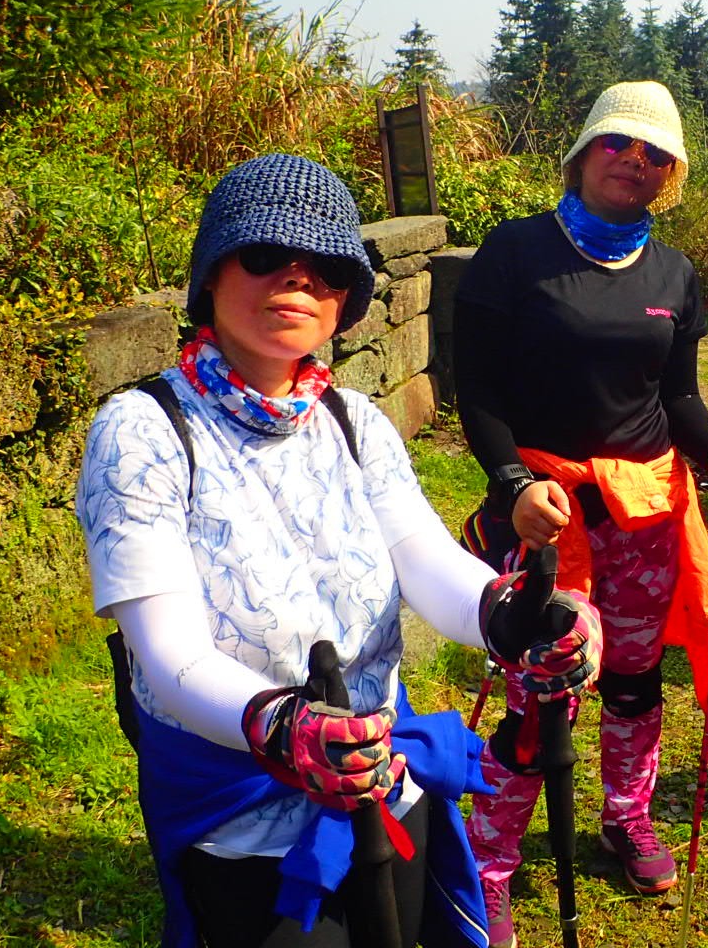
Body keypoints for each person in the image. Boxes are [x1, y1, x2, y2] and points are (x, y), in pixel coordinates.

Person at [77, 153, 600, 948]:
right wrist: (281, 725)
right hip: (242, 810)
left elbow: (424, 559)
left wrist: (513, 615)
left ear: (346, 298)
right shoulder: (144, 430)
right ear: (210, 277)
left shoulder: (353, 420)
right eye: (263, 257)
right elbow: (166, 652)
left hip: (384, 781)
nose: (296, 279)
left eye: (323, 267)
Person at [453, 81, 708, 948]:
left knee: (633, 680)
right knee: (539, 695)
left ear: (671, 175)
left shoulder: (673, 273)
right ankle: (489, 865)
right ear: (584, 153)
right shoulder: (514, 254)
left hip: (647, 514)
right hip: (546, 515)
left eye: (655, 154)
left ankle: (625, 817)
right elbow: (475, 392)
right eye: (618, 145)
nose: (635, 161)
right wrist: (513, 483)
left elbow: (679, 395)